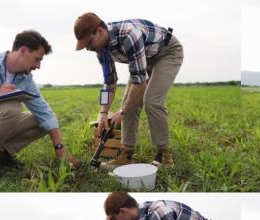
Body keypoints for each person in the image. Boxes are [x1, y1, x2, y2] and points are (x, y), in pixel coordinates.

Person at [0, 30, 80, 176]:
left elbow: (45, 113)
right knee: (13, 108)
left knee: (43, 121)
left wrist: (60, 149)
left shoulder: (26, 79)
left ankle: (0, 154)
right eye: (37, 59)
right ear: (23, 51)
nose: (38, 66)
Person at [74, 13, 184, 167]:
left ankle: (165, 155)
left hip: (167, 53)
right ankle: (126, 154)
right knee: (128, 104)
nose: (88, 48)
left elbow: (140, 83)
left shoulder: (129, 36)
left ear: (99, 31)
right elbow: (109, 83)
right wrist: (103, 112)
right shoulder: (101, 50)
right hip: (144, 58)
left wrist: (123, 112)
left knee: (151, 101)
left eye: (89, 42)